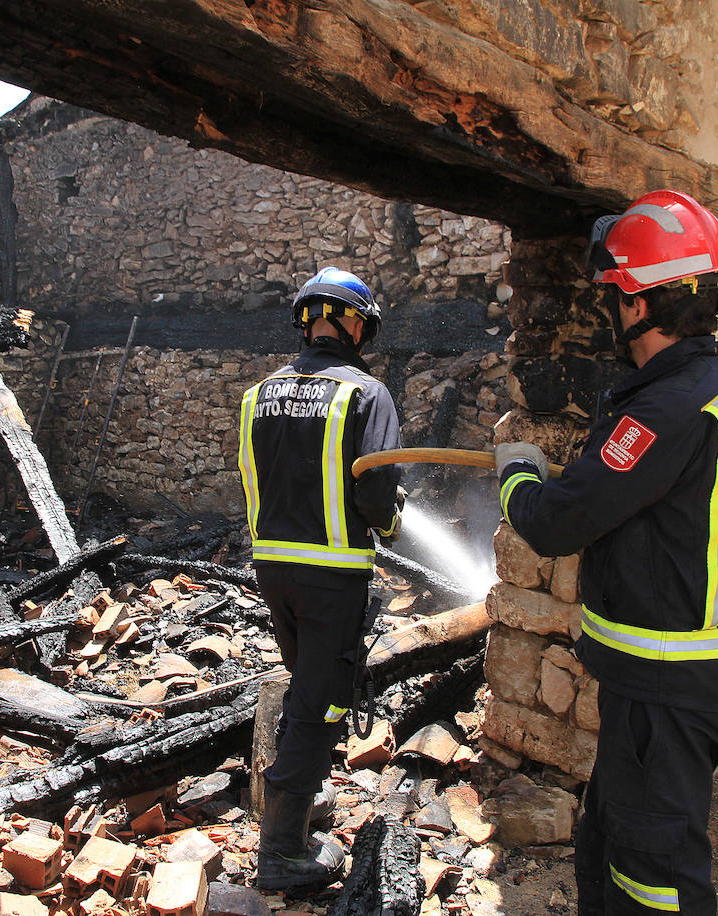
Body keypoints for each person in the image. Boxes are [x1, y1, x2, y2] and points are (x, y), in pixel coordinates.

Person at [493, 190, 718, 915]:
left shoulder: (666, 410)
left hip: (664, 687)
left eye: (615, 294)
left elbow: (556, 525)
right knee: (610, 841)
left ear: (641, 303)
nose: (610, 311)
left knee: (656, 875)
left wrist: (518, 472)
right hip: (668, 679)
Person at [238, 266, 404, 892]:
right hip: (332, 574)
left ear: (308, 322)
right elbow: (378, 488)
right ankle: (280, 853)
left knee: (306, 690)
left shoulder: (258, 395)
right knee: (325, 702)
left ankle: (293, 814)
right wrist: (389, 526)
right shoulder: (365, 394)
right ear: (354, 324)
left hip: (272, 570)